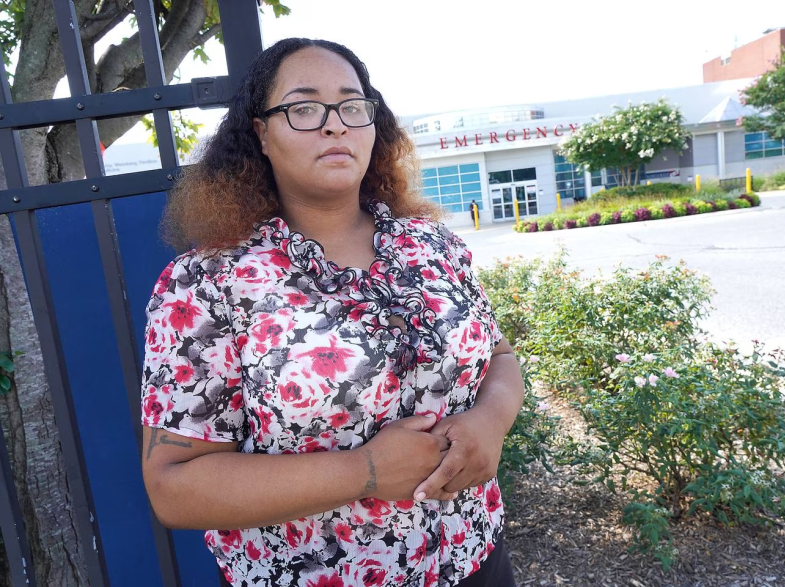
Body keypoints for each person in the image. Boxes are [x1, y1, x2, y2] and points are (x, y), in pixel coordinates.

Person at [140, 37, 524, 587]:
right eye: (303, 108)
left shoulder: (432, 246)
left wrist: (491, 422)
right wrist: (362, 472)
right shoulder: (207, 284)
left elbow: (500, 356)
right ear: (261, 134)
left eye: (351, 106)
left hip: (475, 559)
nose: (334, 125)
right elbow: (174, 487)